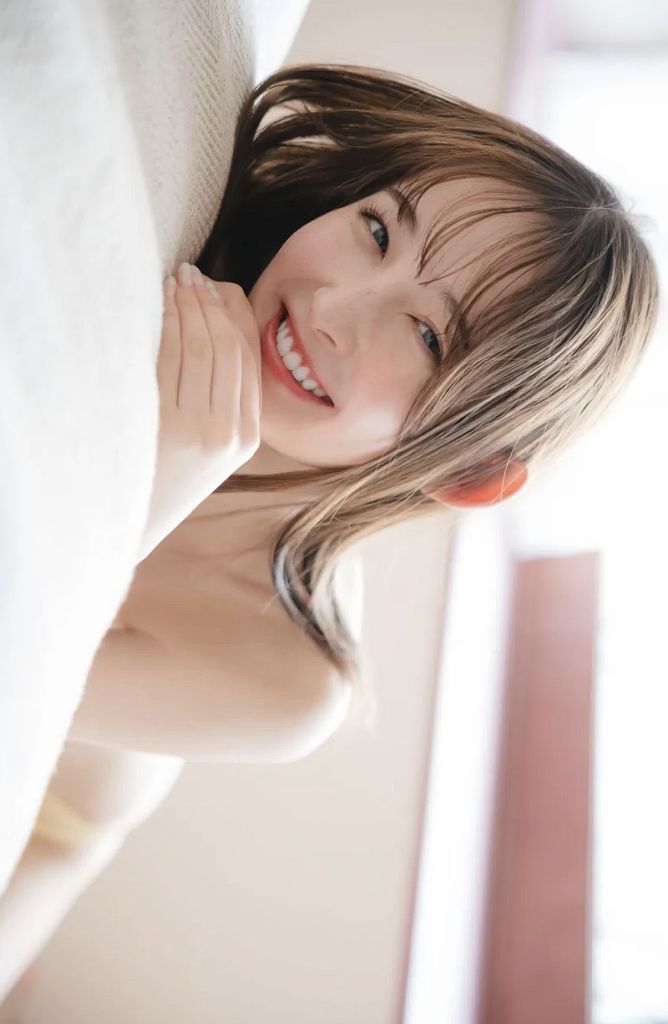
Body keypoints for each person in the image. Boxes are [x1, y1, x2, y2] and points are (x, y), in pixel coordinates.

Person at [0, 62, 659, 1002]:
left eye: (430, 336)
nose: (334, 307)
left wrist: (161, 490)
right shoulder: (172, 271)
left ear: (464, 471)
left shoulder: (290, 681)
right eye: (377, 228)